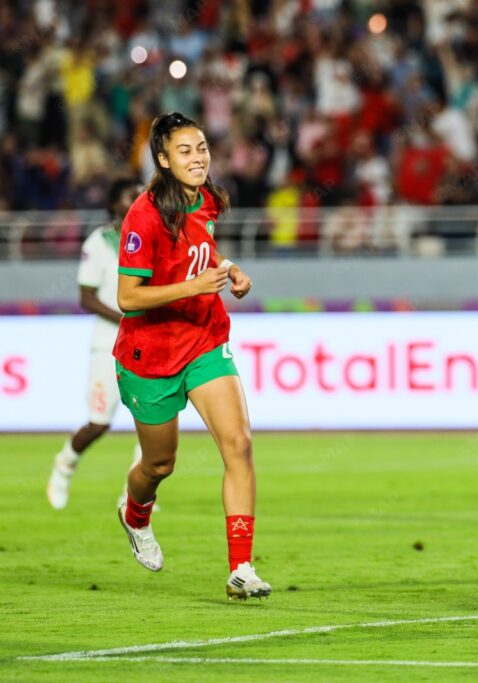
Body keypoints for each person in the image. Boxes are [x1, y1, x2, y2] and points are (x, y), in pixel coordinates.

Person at [114, 112, 270, 599]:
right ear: (163, 160)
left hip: (204, 339)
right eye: (185, 151)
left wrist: (229, 269)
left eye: (201, 147)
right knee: (159, 465)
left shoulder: (208, 200)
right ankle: (135, 513)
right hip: (149, 354)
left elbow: (199, 251)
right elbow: (127, 297)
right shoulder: (143, 215)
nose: (198, 157)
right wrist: (194, 285)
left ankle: (241, 569)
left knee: (239, 444)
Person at [47, 178, 143, 510]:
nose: (138, 200)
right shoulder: (100, 242)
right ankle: (65, 464)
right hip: (109, 344)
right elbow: (86, 297)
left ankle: (135, 495)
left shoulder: (153, 237)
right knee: (99, 423)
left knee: (152, 422)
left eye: (142, 195)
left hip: (147, 344)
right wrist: (125, 319)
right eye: (131, 195)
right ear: (114, 203)